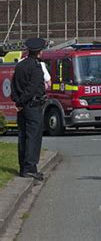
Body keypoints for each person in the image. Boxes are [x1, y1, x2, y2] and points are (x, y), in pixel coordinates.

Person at [11, 38, 48, 181]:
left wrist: (17, 102)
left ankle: (23, 167)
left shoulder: (20, 66)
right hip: (32, 106)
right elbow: (32, 89)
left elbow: (14, 86)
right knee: (33, 137)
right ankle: (30, 167)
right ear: (39, 52)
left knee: (23, 136)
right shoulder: (36, 67)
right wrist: (22, 101)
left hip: (22, 107)